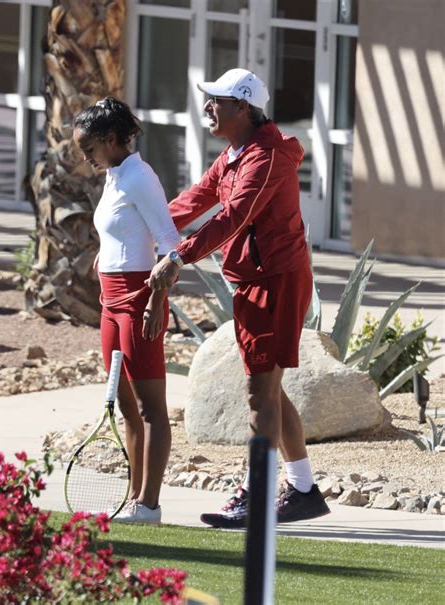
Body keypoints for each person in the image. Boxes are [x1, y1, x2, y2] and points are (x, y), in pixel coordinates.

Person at [147, 69, 330, 529]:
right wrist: (144, 228)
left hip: (276, 282)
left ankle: (254, 493)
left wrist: (178, 256)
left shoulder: (266, 156)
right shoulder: (235, 153)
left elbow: (233, 215)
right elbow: (197, 198)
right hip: (253, 280)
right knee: (269, 389)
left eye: (217, 101)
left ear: (242, 107)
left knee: (258, 393)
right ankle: (304, 489)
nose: (208, 108)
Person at [73, 96, 180, 524]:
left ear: (113, 139)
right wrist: (106, 256)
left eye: (89, 150)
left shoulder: (139, 177)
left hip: (140, 301)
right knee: (125, 406)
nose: (86, 159)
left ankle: (149, 506)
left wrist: (156, 300)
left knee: (152, 408)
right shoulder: (115, 175)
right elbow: (122, 229)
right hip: (109, 301)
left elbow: (171, 246)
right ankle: (133, 498)